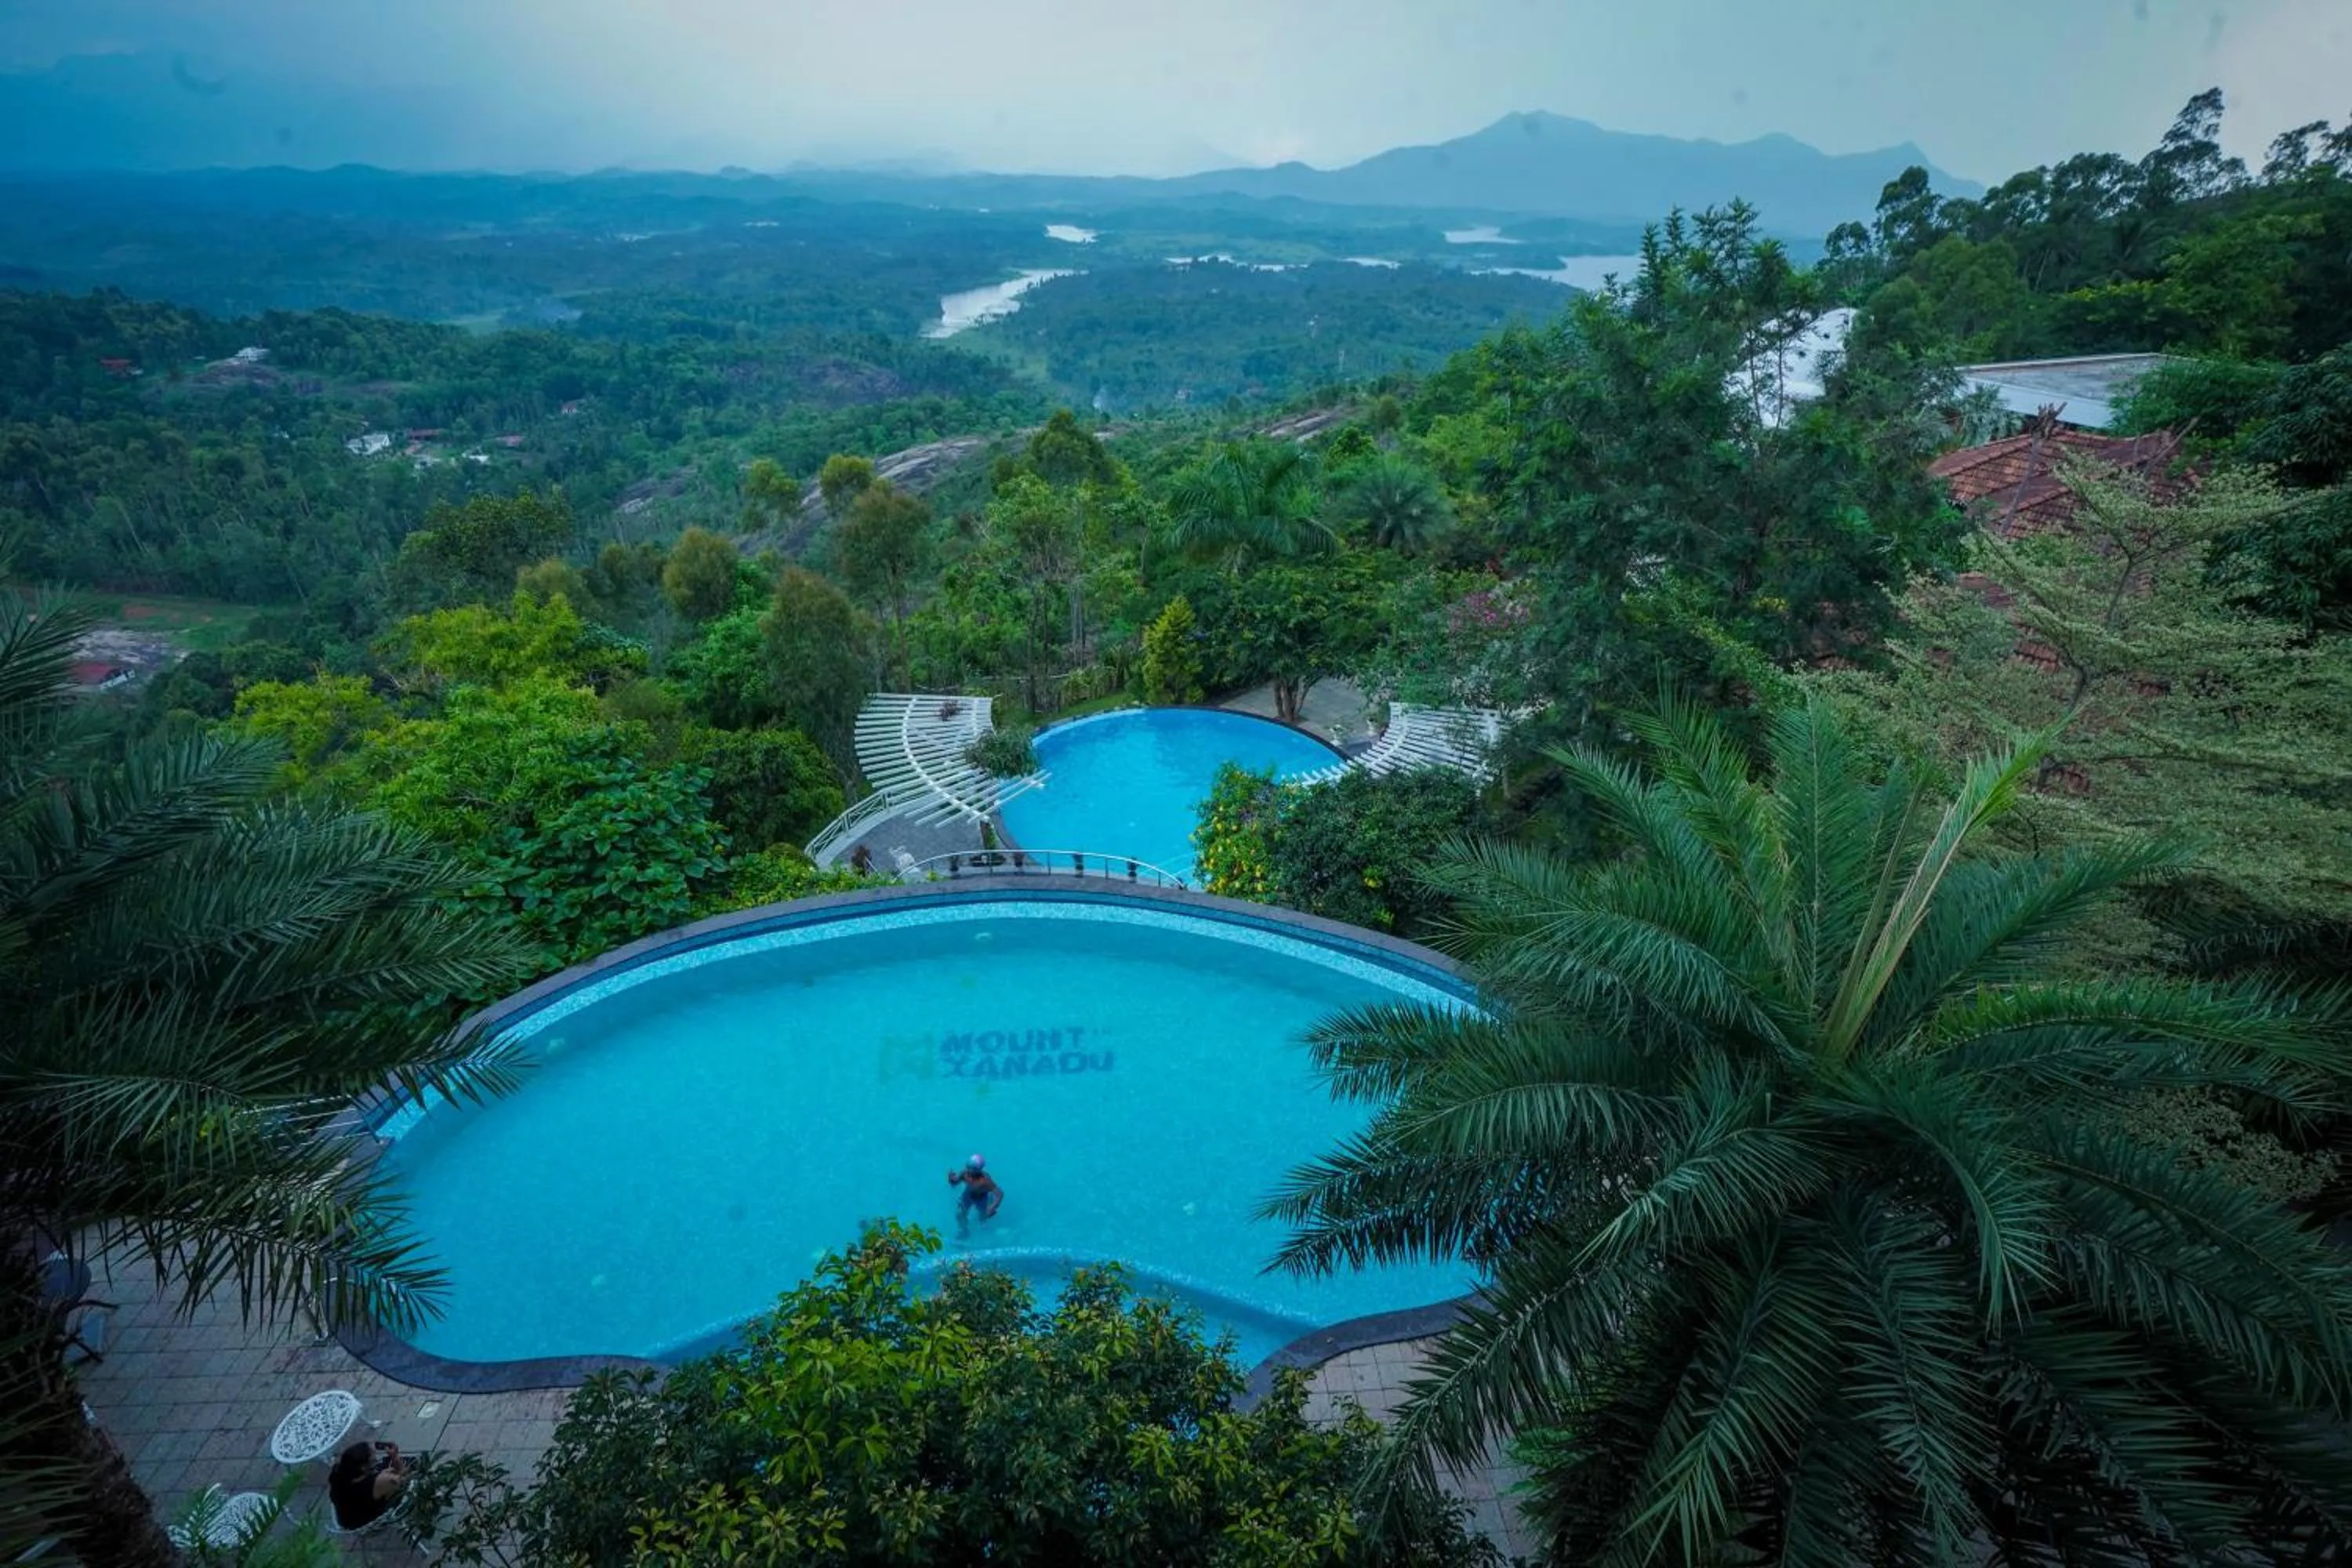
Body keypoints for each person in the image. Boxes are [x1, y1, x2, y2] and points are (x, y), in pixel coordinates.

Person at [328, 1439, 409, 1530]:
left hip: (346, 1518)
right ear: (363, 1467)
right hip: (366, 1522)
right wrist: (395, 1457)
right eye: (373, 1457)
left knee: (386, 1467)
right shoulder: (378, 1482)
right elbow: (403, 1479)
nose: (376, 1457)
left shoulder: (339, 1474)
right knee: (408, 1471)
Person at [946, 1153, 1002, 1235]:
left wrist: (993, 1206)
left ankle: (983, 1231)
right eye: (968, 1166)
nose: (968, 1170)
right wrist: (951, 1179)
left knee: (983, 1219)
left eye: (970, 1168)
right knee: (960, 1215)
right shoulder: (965, 1174)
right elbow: (956, 1182)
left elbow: (1000, 1194)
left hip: (982, 1199)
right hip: (968, 1196)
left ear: (977, 1170)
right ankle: (964, 1231)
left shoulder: (986, 1181)